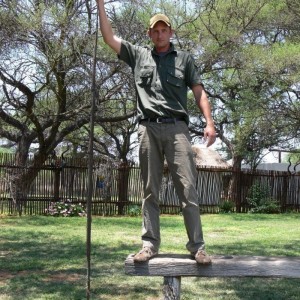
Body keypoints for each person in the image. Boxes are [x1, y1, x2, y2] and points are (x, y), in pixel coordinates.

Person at [96, 0, 216, 264]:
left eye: (164, 30)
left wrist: (209, 122)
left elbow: (198, 91)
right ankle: (149, 245)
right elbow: (108, 37)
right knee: (150, 190)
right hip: (147, 129)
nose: (160, 34)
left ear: (171, 32)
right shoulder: (139, 55)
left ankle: (197, 247)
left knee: (187, 189)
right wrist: (100, 5)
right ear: (149, 34)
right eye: (155, 30)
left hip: (177, 129)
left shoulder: (185, 59)